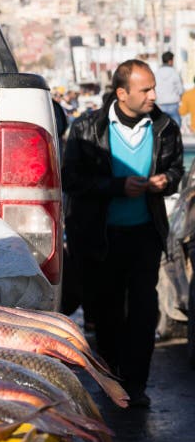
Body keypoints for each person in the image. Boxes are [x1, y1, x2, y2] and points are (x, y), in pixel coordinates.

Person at [62, 59, 184, 408]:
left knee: (145, 312)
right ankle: (113, 378)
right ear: (122, 93)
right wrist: (116, 186)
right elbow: (72, 181)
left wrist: (165, 182)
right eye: (145, 89)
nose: (153, 95)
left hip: (145, 235)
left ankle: (136, 385)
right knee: (108, 313)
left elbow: (175, 168)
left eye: (153, 89)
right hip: (101, 239)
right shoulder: (87, 128)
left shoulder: (164, 126)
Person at [155, 51, 184, 128]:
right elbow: (180, 88)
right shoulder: (175, 73)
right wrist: (180, 96)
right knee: (176, 124)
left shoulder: (157, 73)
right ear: (170, 61)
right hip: (173, 103)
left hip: (160, 103)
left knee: (161, 125)